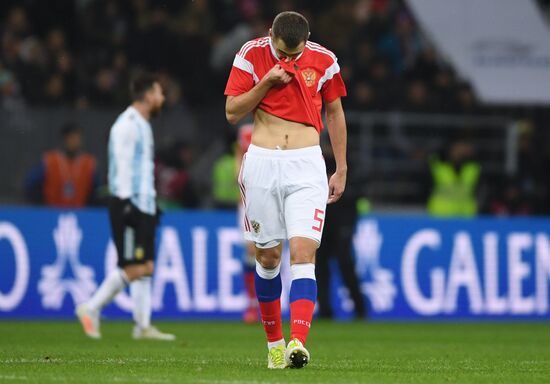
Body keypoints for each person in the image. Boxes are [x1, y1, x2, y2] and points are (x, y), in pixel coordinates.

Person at [225, 11, 347, 369]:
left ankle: (298, 342)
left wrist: (340, 167)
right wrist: (265, 83)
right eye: (283, 53)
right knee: (267, 258)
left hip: (307, 164)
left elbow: (336, 113)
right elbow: (232, 111)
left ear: (306, 39)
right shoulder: (250, 55)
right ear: (270, 36)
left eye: (296, 54)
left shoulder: (325, 60)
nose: (290, 60)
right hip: (263, 163)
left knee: (303, 252)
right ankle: (274, 344)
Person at [76, 74, 175, 341]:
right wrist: (129, 202)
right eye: (159, 93)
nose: (162, 99)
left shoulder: (142, 124)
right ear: (147, 95)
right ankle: (91, 308)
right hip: (128, 204)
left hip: (143, 203)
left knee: (147, 265)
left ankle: (142, 326)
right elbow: (120, 167)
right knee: (135, 267)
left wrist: (150, 202)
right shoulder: (127, 125)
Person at [316, 140, 366, 320]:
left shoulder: (347, 164)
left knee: (345, 264)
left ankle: (360, 308)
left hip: (343, 222)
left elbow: (359, 191)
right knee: (320, 267)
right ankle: (325, 310)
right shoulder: (317, 162)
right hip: (322, 222)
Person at [25, 123, 98, 207]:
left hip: (80, 213)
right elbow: (31, 184)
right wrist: (41, 206)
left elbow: (95, 190)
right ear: (64, 139)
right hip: (52, 212)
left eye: (78, 138)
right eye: (72, 138)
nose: (75, 142)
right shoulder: (50, 160)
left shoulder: (88, 163)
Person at [235, 123, 259, 323]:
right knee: (252, 250)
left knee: (273, 251)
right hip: (248, 199)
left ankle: (271, 302)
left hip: (272, 195)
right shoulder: (245, 131)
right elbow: (238, 160)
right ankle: (252, 303)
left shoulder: (277, 121)